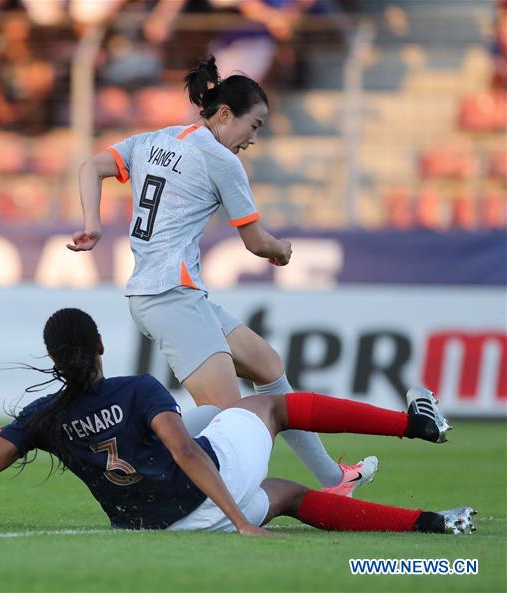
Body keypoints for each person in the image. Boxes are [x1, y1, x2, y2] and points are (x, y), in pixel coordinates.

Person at [0, 308, 474, 536]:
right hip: (210, 499)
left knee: (288, 495)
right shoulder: (137, 388)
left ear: (54, 359)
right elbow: (187, 453)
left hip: (157, 527)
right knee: (269, 405)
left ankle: (433, 524)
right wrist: (240, 524)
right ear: (100, 345)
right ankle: (413, 423)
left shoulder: (41, 417)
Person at [66, 54, 373, 497]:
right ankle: (124, 450)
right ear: (225, 114)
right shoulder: (221, 162)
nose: (254, 138)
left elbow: (90, 167)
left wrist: (93, 224)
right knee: (233, 419)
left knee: (266, 364)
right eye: (254, 125)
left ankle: (334, 480)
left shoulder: (155, 139)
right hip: (171, 296)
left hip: (170, 293)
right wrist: (282, 250)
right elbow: (257, 242)